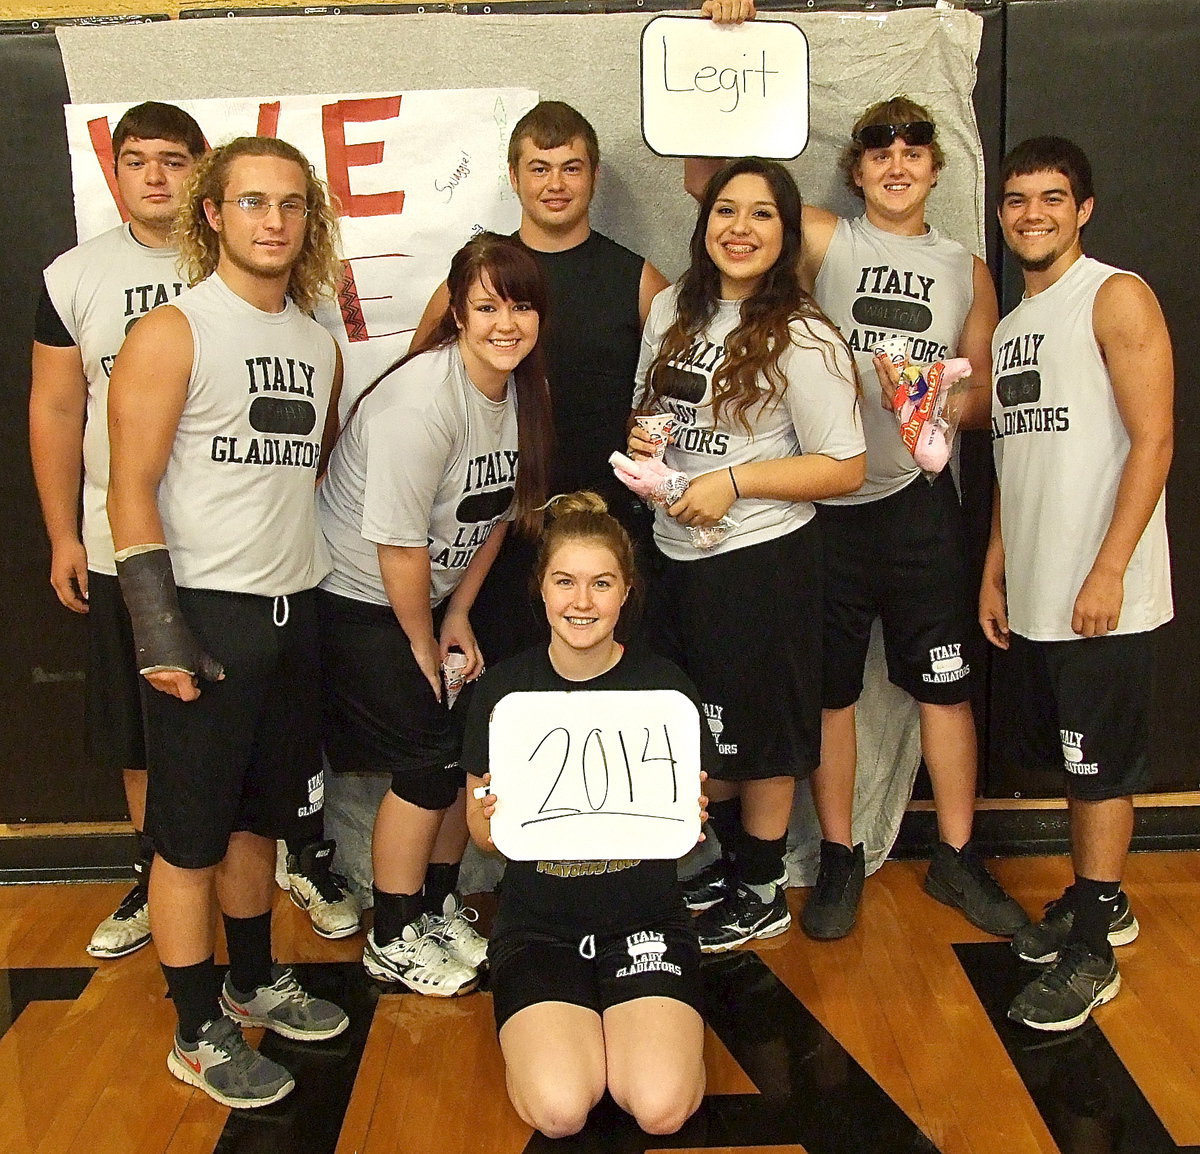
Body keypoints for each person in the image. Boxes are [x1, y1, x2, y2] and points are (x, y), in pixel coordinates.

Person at [683, 69, 1022, 939]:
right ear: (859, 172)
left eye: (914, 152)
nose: (898, 165)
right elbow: (709, 186)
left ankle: (956, 856)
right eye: (881, 153)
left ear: (937, 170)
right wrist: (726, 38)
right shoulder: (825, 237)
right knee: (831, 692)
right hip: (826, 504)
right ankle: (838, 856)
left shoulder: (969, 268)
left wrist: (938, 393)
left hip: (917, 504)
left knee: (943, 688)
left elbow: (980, 397)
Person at [106, 136, 350, 1107]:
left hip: (295, 614)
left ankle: (254, 976)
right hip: (203, 616)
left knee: (261, 821)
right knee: (188, 838)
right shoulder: (174, 330)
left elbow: (306, 472)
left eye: (290, 205)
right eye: (252, 202)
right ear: (215, 212)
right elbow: (128, 489)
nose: (273, 221)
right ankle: (198, 1028)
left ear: (308, 220)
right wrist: (161, 631)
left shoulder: (315, 340)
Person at [631, 157, 866, 952]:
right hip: (673, 553)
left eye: (762, 214)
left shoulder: (803, 335)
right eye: (726, 210)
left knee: (760, 731)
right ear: (703, 227)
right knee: (703, 725)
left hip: (761, 558)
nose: (740, 227)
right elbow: (650, 409)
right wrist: (644, 442)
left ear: (786, 233)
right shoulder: (670, 308)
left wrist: (734, 480)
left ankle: (762, 885)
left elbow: (845, 464)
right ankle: (729, 863)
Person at [318, 232, 554, 996]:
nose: (506, 323)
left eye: (520, 306)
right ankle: (390, 936)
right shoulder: (420, 403)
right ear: (456, 312)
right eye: (487, 306)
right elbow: (397, 547)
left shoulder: (515, 387)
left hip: (428, 599)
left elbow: (493, 518)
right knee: (424, 770)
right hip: (360, 601)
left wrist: (458, 618)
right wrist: (421, 639)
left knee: (462, 755)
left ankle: (431, 906)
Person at [982, 137, 1172, 1031]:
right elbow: (1013, 462)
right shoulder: (1019, 323)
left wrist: (1108, 567)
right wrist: (996, 571)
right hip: (1039, 591)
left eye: (1051, 199)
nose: (1032, 214)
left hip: (1103, 594)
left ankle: (1093, 946)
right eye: (1017, 199)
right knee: (1074, 762)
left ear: (1083, 209)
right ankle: (1103, 898)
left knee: (1099, 773)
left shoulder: (1113, 294)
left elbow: (1155, 439)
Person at [463, 491, 714, 1138]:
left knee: (660, 1108)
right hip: (539, 928)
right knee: (561, 1109)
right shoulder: (502, 694)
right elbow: (484, 840)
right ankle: (572, 1030)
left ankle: (630, 1028)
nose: (582, 602)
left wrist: (689, 816)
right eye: (565, 582)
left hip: (645, 920)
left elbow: (679, 835)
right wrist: (487, 822)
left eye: (601, 584)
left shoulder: (666, 692)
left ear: (626, 592)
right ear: (541, 590)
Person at [30, 102, 205, 959]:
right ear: (114, 171)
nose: (156, 177)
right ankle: (150, 876)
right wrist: (64, 533)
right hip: (119, 547)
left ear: (202, 169)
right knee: (136, 730)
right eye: (137, 160)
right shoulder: (74, 276)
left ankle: (274, 862)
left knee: (243, 722)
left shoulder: (248, 260)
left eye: (174, 160)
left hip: (234, 551)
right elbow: (58, 406)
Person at [412, 101, 669, 661]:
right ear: (514, 177)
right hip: (492, 540)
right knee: (501, 701)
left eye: (571, 168)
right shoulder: (475, 279)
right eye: (539, 168)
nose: (555, 184)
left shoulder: (641, 281)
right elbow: (415, 400)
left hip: (606, 534)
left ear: (594, 176)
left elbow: (678, 403)